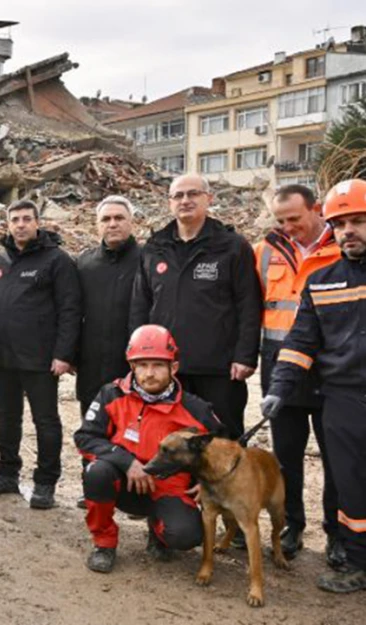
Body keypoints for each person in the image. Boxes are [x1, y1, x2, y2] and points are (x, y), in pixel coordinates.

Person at [264, 179, 366, 593]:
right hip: (343, 399)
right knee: (350, 483)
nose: (348, 232)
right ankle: (357, 561)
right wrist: (279, 388)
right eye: (341, 224)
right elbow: (302, 342)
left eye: (358, 221)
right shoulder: (323, 280)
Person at [75, 325, 221, 573]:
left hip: (170, 488)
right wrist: (127, 462)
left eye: (157, 365)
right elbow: (86, 437)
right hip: (124, 480)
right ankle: (104, 544)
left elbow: (225, 450)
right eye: (141, 365)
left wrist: (210, 481)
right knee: (96, 473)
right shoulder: (111, 395)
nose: (149, 373)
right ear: (132, 366)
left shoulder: (195, 410)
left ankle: (158, 531)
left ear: (173, 368)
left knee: (186, 537)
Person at [130, 173, 262, 439]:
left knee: (222, 440)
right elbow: (140, 305)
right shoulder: (154, 247)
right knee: (170, 440)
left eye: (193, 194)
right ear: (169, 203)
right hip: (167, 366)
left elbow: (249, 304)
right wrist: (140, 357)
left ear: (208, 199)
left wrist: (245, 356)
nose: (185, 200)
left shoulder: (232, 247)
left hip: (219, 367)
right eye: (178, 195)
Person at [253, 184, 343, 565]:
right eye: (281, 220)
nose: (289, 227)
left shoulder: (345, 248)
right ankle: (292, 526)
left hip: (333, 373)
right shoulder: (264, 252)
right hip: (280, 372)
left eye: (295, 219)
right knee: (286, 458)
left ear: (316, 209)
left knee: (338, 458)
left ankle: (338, 534)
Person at [0, 200, 81, 510]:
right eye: (15, 219)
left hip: (40, 358)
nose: (20, 224)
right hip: (1, 356)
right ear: (7, 224)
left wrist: (64, 353)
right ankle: (7, 473)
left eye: (26, 219)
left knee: (45, 420)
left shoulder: (56, 260)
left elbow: (70, 309)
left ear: (38, 223)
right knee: (7, 418)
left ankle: (45, 481)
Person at [76, 196, 141, 416]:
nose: (112, 224)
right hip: (91, 367)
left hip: (134, 366)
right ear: (97, 225)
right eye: (106, 219)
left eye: (119, 218)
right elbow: (73, 312)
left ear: (131, 222)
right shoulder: (85, 263)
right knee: (92, 430)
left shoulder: (148, 260)